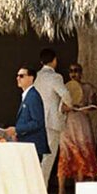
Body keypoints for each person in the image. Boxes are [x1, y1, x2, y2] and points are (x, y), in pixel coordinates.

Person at [55, 70, 97, 194]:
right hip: (67, 123)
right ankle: (61, 190)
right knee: (65, 154)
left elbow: (94, 105)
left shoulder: (88, 88)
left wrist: (86, 107)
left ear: (81, 73)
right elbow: (58, 106)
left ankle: (79, 189)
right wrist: (67, 108)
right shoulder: (64, 87)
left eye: (76, 71)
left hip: (81, 122)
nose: (74, 74)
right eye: (71, 71)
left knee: (82, 152)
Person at [34, 49, 69, 185]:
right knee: (48, 157)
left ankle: (37, 185)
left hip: (37, 119)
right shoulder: (55, 77)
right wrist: (68, 105)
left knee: (38, 156)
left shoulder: (36, 76)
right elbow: (65, 94)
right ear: (54, 60)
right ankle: (42, 186)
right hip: (51, 120)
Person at [4, 66, 50, 161]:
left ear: (31, 78)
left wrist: (16, 129)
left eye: (21, 76)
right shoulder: (28, 95)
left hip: (32, 146)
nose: (18, 78)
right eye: (17, 76)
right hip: (27, 145)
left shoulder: (33, 96)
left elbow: (37, 122)